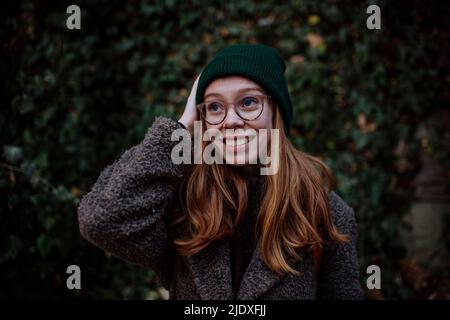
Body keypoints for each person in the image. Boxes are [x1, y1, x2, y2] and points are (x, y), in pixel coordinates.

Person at [78, 44, 364, 299]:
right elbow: (101, 221)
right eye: (215, 107)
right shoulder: (182, 202)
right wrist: (180, 126)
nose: (230, 121)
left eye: (249, 102)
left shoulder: (323, 211)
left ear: (277, 111)